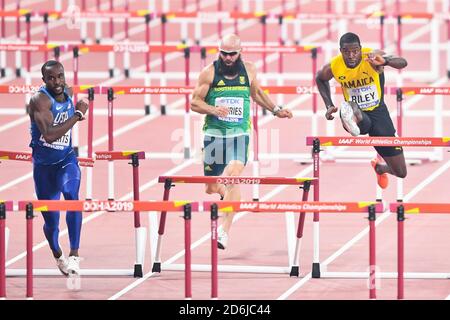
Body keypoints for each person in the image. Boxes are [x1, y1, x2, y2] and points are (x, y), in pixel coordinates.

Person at [191, 34, 293, 250]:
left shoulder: (249, 69)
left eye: (232, 54)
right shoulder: (209, 73)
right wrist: (213, 109)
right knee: (210, 187)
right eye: (224, 54)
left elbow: (256, 93)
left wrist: (276, 110)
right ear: (219, 52)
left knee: (233, 175)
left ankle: (223, 232)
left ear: (240, 52)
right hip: (214, 135)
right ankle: (227, 197)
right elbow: (194, 102)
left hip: (239, 134)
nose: (228, 58)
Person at [315, 32, 408, 189]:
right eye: (346, 51)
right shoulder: (335, 65)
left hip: (379, 113)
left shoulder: (371, 57)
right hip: (357, 116)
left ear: (360, 49)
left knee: (400, 171)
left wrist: (385, 61)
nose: (351, 55)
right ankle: (348, 113)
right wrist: (329, 105)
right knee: (353, 108)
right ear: (341, 50)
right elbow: (320, 78)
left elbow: (402, 62)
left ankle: (379, 168)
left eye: (355, 50)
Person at [28, 60, 88, 276]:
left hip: (66, 160)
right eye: (51, 78)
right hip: (44, 169)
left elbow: (77, 103)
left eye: (60, 76)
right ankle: (57, 253)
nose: (57, 82)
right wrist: (78, 115)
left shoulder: (68, 92)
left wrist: (78, 109)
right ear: (44, 80)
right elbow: (50, 135)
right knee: (51, 224)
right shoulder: (40, 100)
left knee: (73, 196)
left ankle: (74, 255)